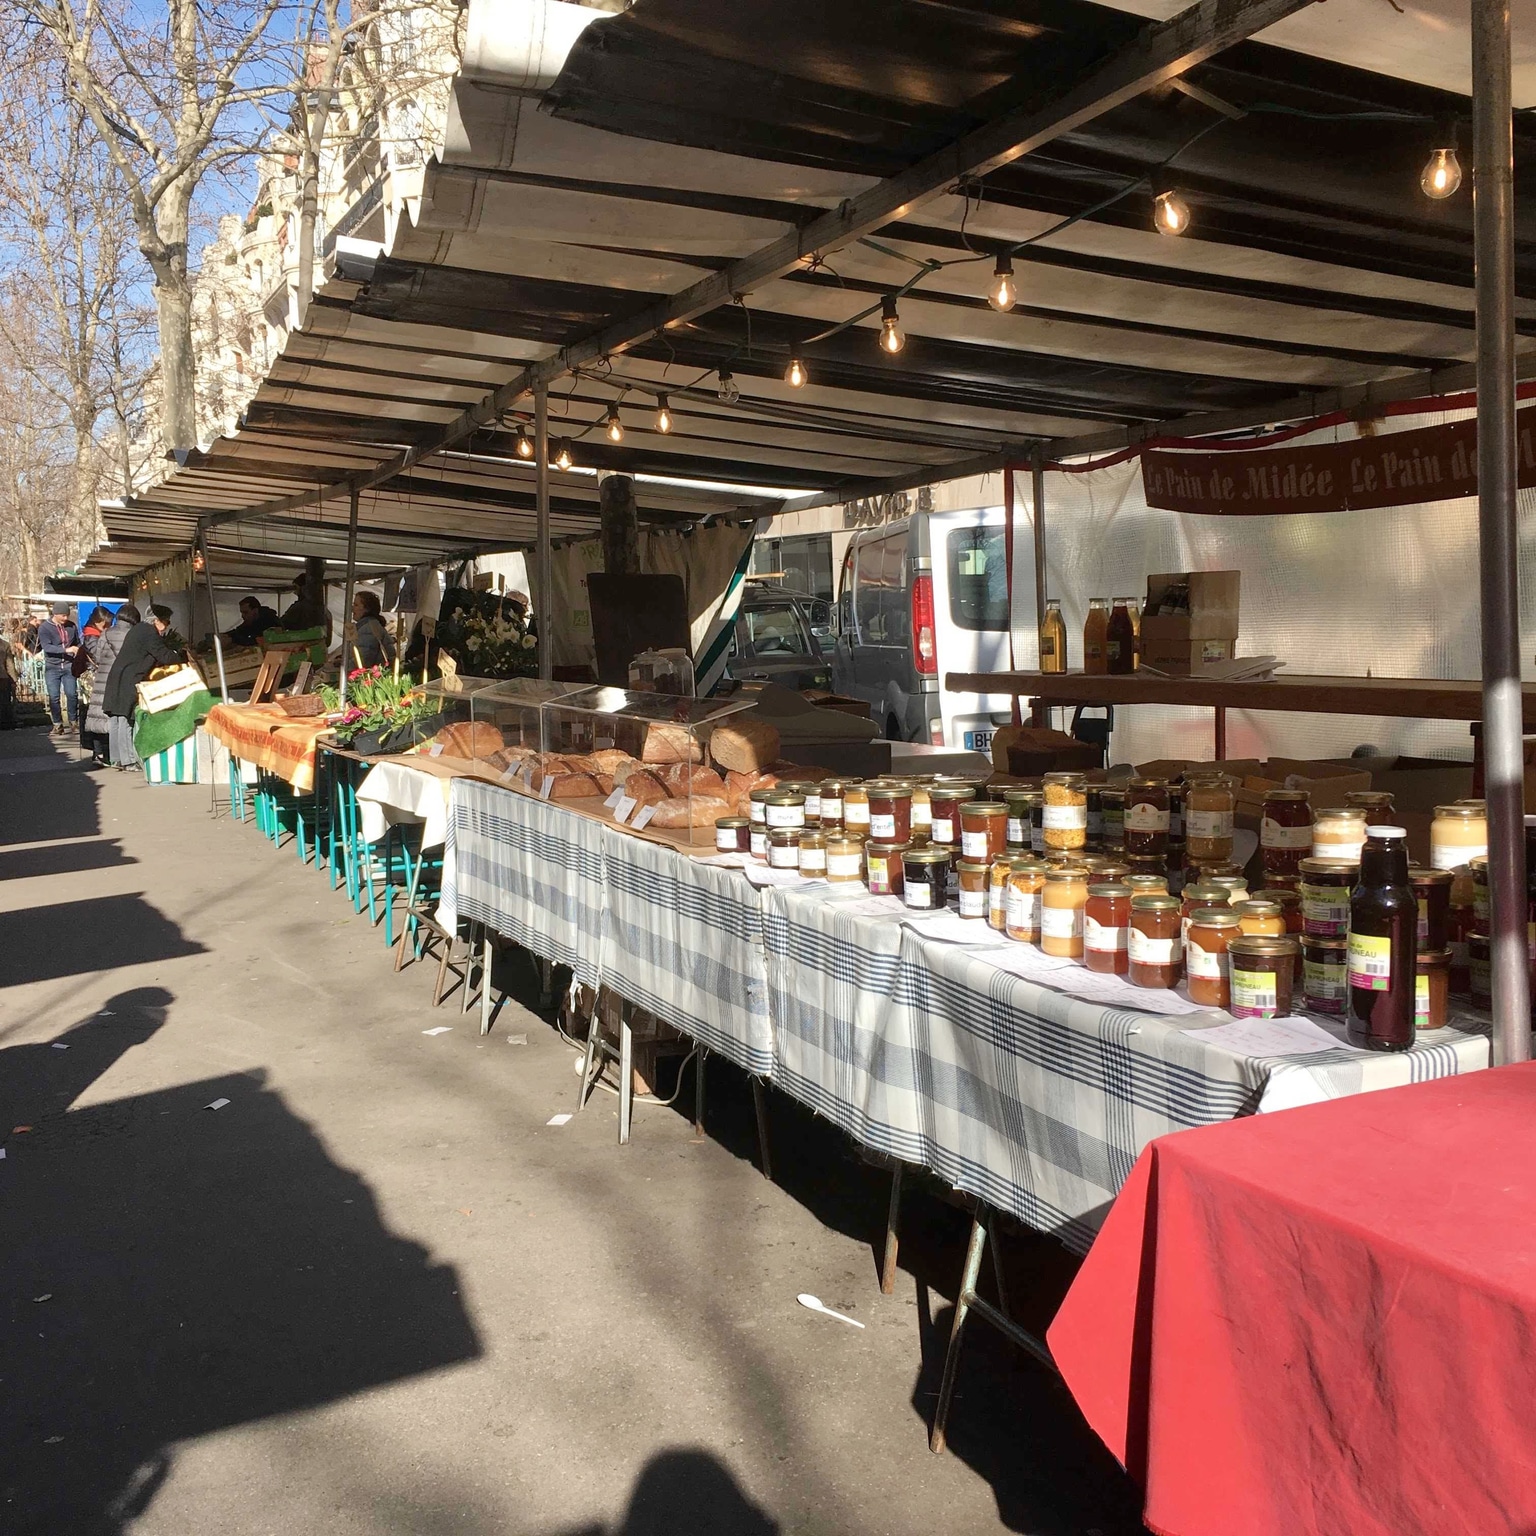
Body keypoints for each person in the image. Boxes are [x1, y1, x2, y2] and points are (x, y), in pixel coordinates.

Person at [102, 604, 182, 771]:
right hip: (128, 678)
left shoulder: (138, 629)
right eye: (166, 622)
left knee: (116, 719)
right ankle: (129, 761)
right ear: (157, 621)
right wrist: (181, 656)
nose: (167, 625)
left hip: (119, 675)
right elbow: (163, 655)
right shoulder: (148, 632)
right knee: (125, 718)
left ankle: (116, 758)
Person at [76, 606, 117, 764]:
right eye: (105, 624)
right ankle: (99, 752)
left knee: (95, 715)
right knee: (97, 716)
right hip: (94, 679)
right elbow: (99, 657)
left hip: (94, 678)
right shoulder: (91, 636)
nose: (108, 627)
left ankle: (99, 753)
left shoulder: (91, 634)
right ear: (97, 622)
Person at [36, 603, 80, 735]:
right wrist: (66, 650)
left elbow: (77, 642)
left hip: (68, 665)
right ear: (55, 614)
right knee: (54, 696)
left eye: (67, 615)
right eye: (62, 615)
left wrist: (78, 650)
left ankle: (73, 721)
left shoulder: (71, 627)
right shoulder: (45, 628)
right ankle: (57, 724)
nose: (65, 618)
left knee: (72, 694)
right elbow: (47, 647)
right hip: (52, 666)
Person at [349, 590, 396, 669]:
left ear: (366, 609)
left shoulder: (368, 629)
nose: (352, 608)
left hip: (375, 677)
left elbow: (364, 660)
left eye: (356, 605)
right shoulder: (369, 626)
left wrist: (344, 665)